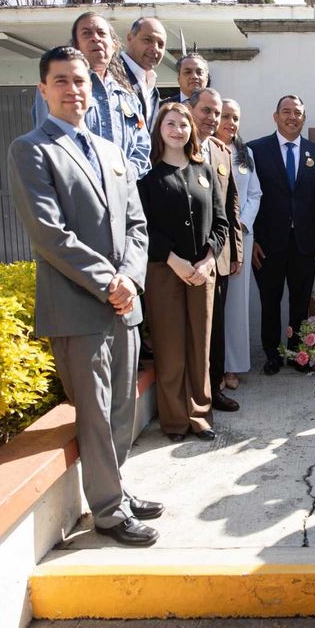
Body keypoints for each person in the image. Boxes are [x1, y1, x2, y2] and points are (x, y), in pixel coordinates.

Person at [9, 46, 162, 547]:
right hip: (79, 309)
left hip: (124, 305)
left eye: (79, 81)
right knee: (95, 414)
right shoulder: (31, 149)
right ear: (43, 89)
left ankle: (115, 487)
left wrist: (130, 279)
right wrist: (109, 282)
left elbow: (137, 225)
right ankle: (109, 513)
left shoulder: (112, 152)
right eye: (61, 81)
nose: (73, 90)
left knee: (121, 410)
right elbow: (49, 234)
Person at [137, 102, 228, 443]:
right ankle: (175, 420)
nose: (178, 130)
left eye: (183, 124)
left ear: (192, 130)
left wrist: (208, 260)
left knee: (200, 348)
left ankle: (200, 416)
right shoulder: (148, 178)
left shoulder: (204, 172)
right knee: (171, 348)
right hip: (165, 273)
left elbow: (221, 222)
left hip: (202, 274)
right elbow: (143, 228)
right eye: (170, 124)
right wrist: (174, 260)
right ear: (159, 130)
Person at [247, 95, 315, 376]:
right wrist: (251, 240)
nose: (292, 117)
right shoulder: (255, 150)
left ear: (304, 118)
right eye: (286, 111)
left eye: (297, 113)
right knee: (270, 301)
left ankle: (298, 352)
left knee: (300, 301)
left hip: (305, 244)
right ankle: (272, 354)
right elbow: (246, 197)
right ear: (276, 117)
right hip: (266, 244)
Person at [32, 12, 151, 179]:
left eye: (101, 33)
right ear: (76, 46)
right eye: (86, 33)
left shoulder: (129, 96)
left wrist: (124, 178)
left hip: (122, 190)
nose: (95, 38)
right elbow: (48, 143)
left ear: (114, 44)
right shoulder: (58, 91)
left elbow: (142, 147)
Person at [188, 87, 243, 412]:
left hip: (219, 256)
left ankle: (215, 388)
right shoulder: (177, 146)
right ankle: (191, 395)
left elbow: (231, 203)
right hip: (187, 257)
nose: (212, 118)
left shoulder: (222, 152)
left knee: (216, 328)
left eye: (217, 113)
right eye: (206, 111)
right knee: (190, 331)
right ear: (191, 110)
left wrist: (236, 250)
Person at [216, 98, 263, 390]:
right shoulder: (203, 149)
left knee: (235, 306)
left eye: (235, 118)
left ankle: (232, 367)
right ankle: (213, 366)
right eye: (225, 116)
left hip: (240, 237)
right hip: (212, 238)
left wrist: (242, 223)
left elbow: (255, 194)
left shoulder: (245, 154)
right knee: (212, 306)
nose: (230, 123)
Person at [122, 17, 167, 125]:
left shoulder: (152, 88)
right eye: (147, 40)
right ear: (130, 38)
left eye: (160, 44)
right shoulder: (111, 74)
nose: (155, 48)